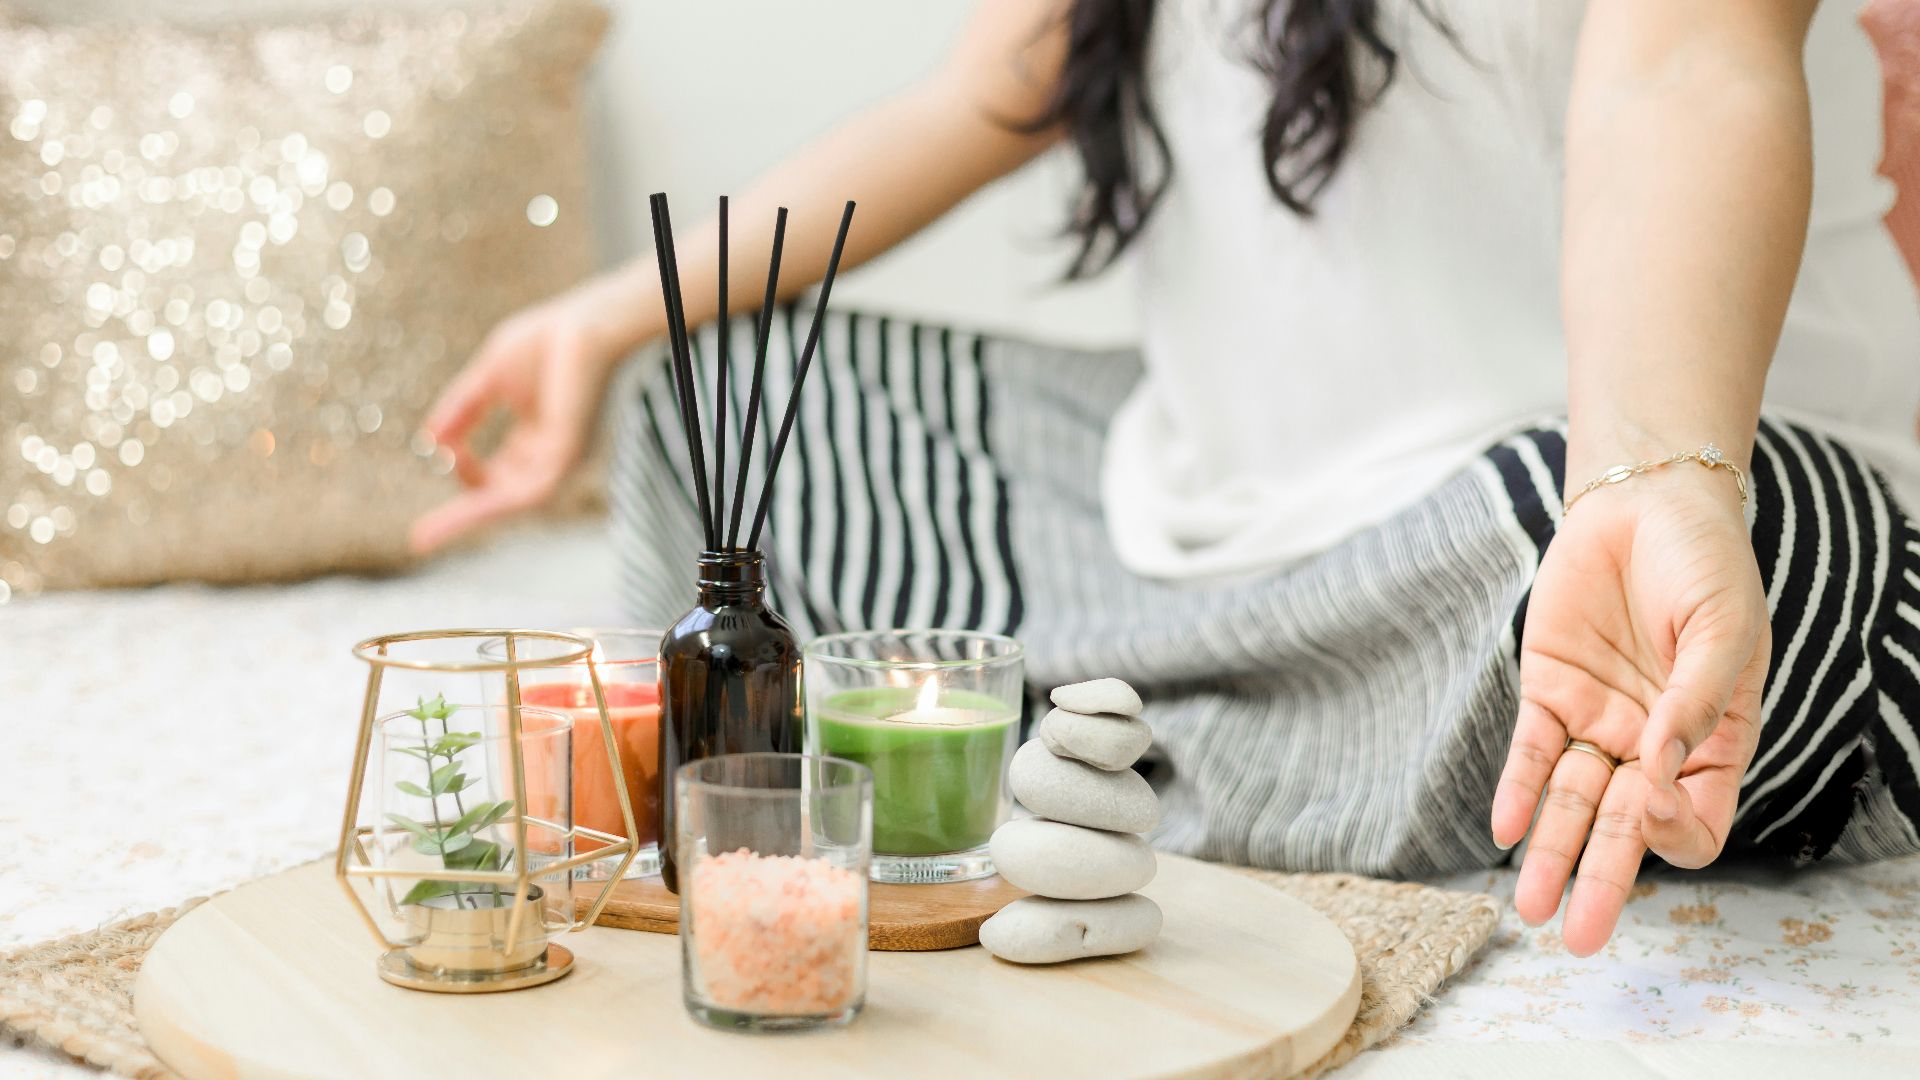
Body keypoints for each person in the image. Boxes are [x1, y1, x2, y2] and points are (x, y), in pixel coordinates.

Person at [413, 0, 1920, 955]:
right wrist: (606, 316)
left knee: (1780, 567)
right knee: (718, 387)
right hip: (1195, 523)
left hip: (1586, 514)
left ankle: (1116, 748)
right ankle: (1230, 744)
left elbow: (1686, 67)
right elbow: (971, 101)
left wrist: (1650, 476)